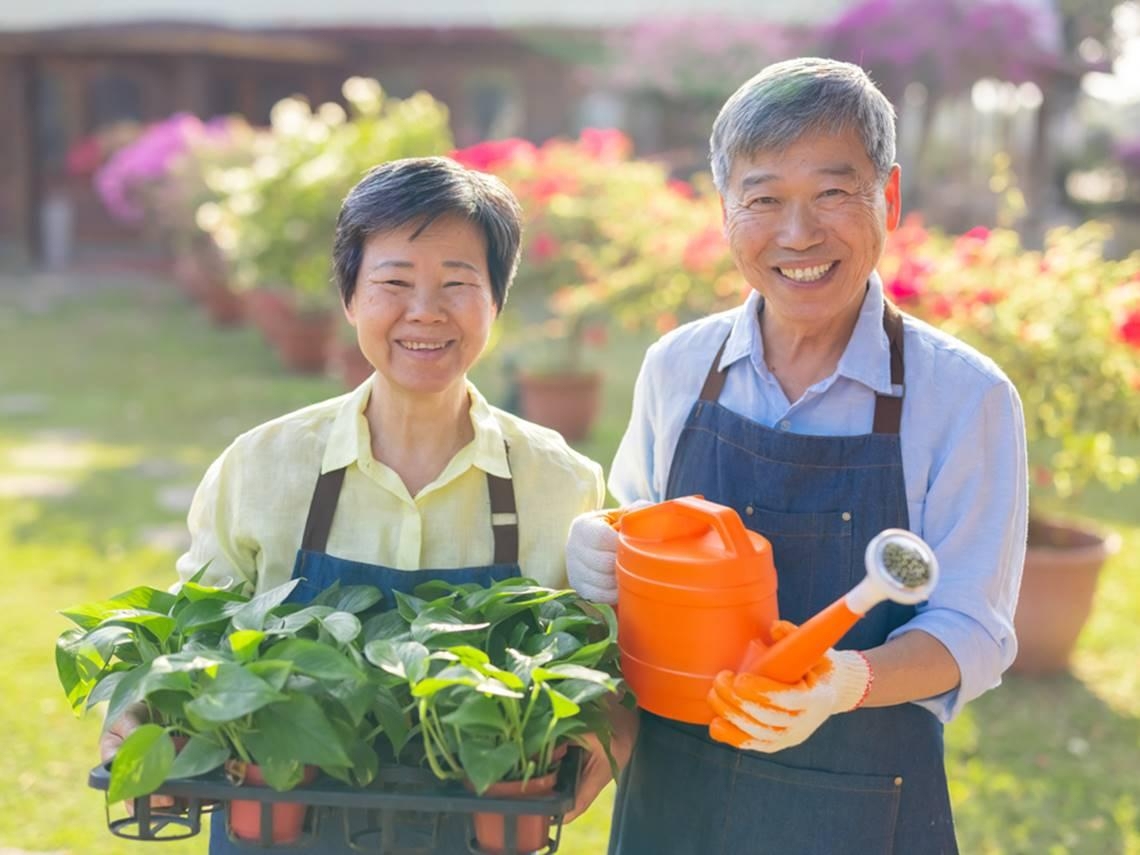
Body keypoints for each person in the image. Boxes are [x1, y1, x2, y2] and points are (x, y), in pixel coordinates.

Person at [566, 58, 1027, 854]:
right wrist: (601, 554)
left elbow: (972, 629)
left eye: (832, 193)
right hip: (674, 801)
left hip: (865, 809)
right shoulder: (678, 367)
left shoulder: (964, 396)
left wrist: (848, 681)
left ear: (888, 197)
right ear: (724, 209)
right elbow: (638, 553)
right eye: (765, 198)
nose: (798, 233)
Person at [102, 156, 605, 853]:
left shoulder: (560, 482)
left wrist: (600, 734)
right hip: (278, 833)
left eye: (457, 283)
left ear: (496, 301)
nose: (424, 311)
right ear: (349, 298)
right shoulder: (263, 465)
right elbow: (194, 640)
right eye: (393, 283)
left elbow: (588, 660)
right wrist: (142, 718)